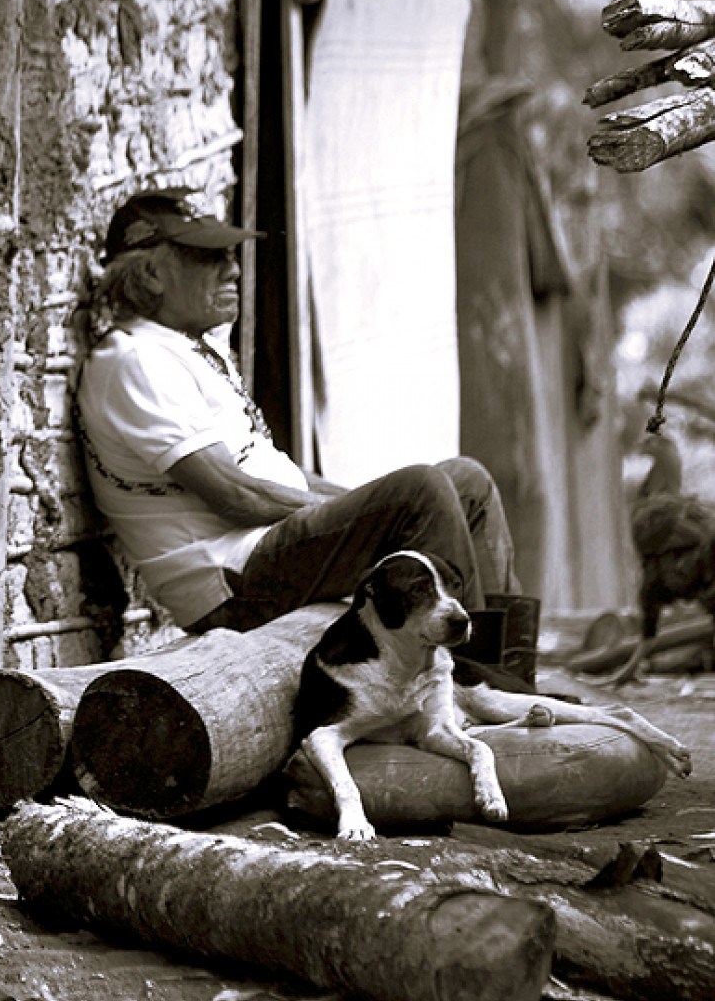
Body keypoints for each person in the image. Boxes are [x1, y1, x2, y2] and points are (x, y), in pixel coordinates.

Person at [77, 188, 532, 674]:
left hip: (266, 552)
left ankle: (513, 672)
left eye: (230, 254)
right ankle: (477, 684)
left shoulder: (181, 347)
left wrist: (368, 513)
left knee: (464, 482)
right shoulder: (133, 361)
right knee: (422, 489)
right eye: (208, 257)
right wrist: (374, 518)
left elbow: (276, 476)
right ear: (151, 273)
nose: (232, 269)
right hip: (231, 583)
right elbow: (235, 495)